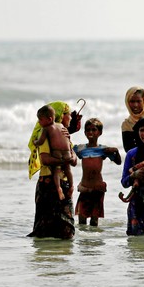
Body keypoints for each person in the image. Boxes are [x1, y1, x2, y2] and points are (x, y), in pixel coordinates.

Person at [27, 102, 77, 239]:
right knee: (45, 232)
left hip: (64, 184)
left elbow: (74, 161)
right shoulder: (46, 135)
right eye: (69, 115)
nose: (71, 118)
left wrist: (71, 158)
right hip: (48, 185)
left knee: (67, 232)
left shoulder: (64, 134)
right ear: (61, 116)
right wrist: (65, 161)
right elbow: (45, 160)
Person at [73, 118, 122, 226]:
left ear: (99, 132)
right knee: (81, 221)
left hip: (97, 189)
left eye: (94, 130)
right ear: (85, 132)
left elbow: (118, 162)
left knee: (94, 222)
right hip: (84, 188)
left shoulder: (103, 150)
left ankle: (94, 241)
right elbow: (68, 152)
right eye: (88, 130)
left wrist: (116, 151)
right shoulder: (80, 149)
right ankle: (84, 241)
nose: (91, 132)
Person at [32, 105, 75, 202]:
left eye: (40, 120)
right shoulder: (62, 127)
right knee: (68, 169)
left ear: (50, 119)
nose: (39, 122)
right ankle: (72, 186)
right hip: (67, 155)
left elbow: (41, 142)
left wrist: (35, 142)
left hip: (57, 155)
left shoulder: (46, 129)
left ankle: (58, 188)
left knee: (56, 170)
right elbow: (73, 159)